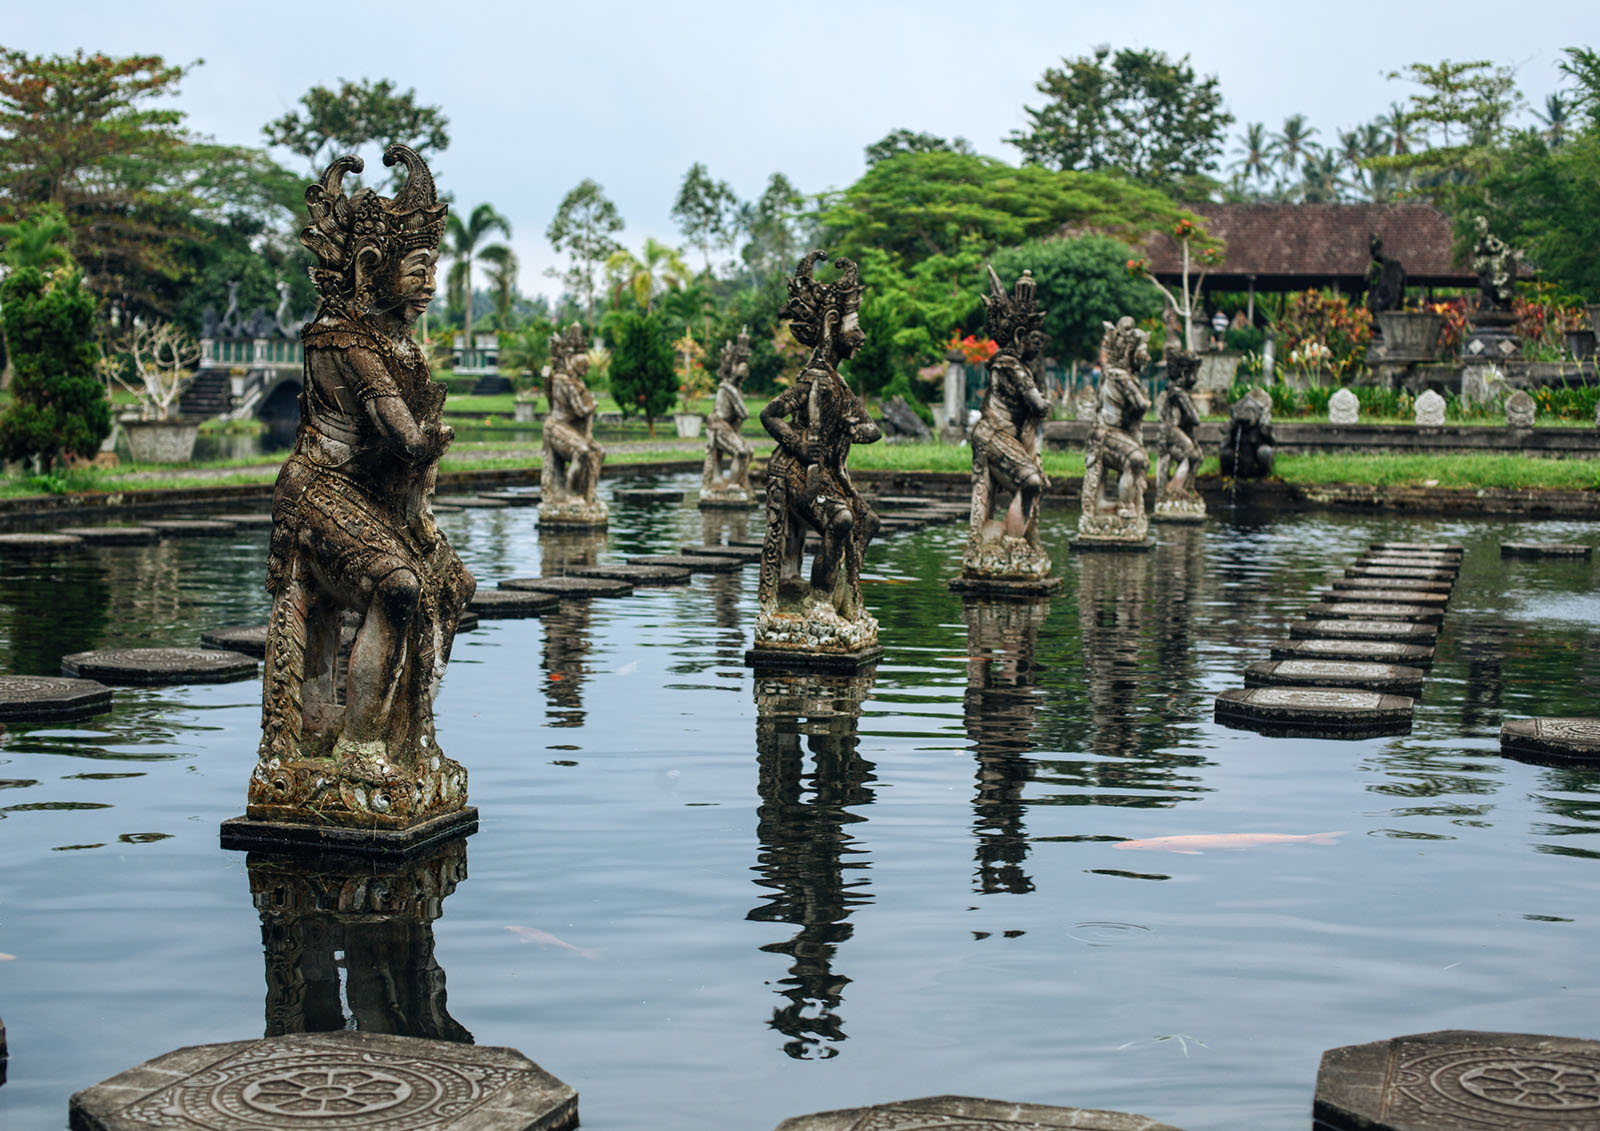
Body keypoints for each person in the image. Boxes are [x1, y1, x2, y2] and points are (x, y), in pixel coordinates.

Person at [254, 144, 473, 827]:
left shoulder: (402, 347)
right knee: (397, 585)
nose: (429, 280)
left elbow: (408, 455)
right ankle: (357, 747)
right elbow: (403, 435)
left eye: (433, 266)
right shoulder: (339, 339)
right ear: (372, 270)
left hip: (377, 499)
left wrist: (423, 502)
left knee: (452, 584)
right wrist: (430, 440)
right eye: (417, 267)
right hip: (317, 492)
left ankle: (414, 736)